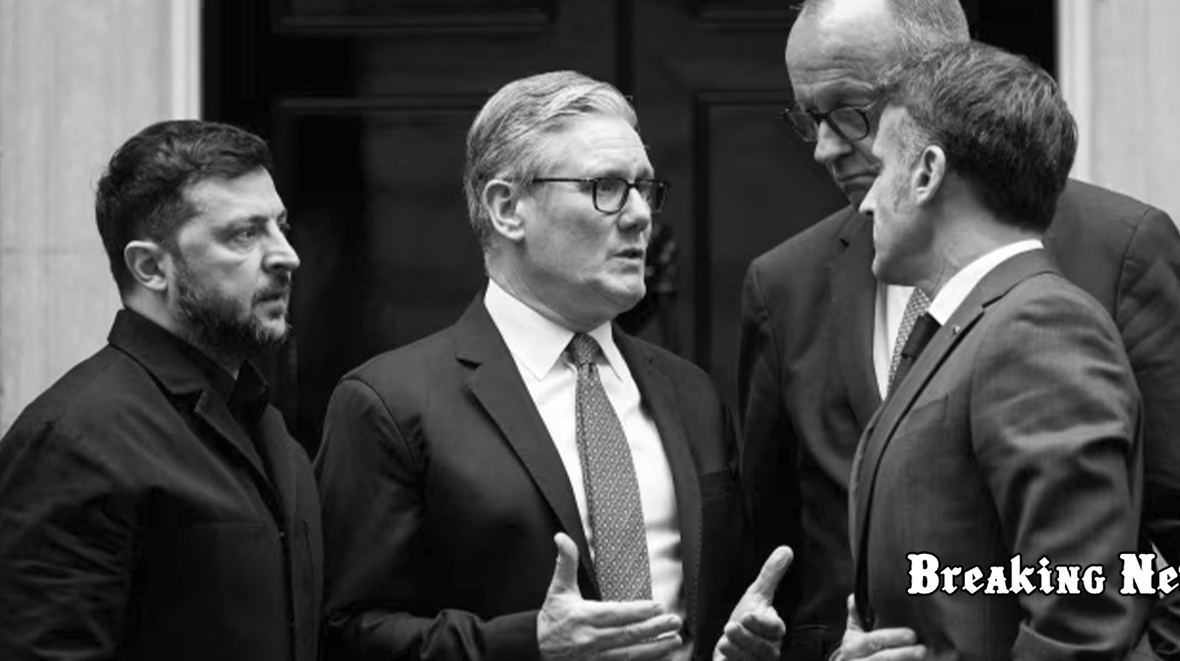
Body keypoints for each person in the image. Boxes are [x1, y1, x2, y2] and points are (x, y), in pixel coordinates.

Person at [737, 0, 1180, 661]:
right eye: (810, 119)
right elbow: (779, 551)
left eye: (850, 112)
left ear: (941, 80)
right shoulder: (785, 284)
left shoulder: (1118, 251)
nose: (825, 149)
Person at [315, 70, 789, 661]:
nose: (640, 215)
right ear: (507, 208)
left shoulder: (691, 395)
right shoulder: (389, 404)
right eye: (606, 187)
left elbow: (723, 597)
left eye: (644, 188)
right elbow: (347, 632)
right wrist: (529, 645)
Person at [852, 40, 1144, 659]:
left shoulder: (1040, 329)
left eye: (880, 169)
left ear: (927, 173)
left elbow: (1080, 623)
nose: (866, 201)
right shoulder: (972, 325)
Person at [0, 120, 320, 661]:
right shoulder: (75, 439)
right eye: (245, 234)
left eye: (279, 226)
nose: (286, 255)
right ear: (151, 267)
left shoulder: (266, 426)